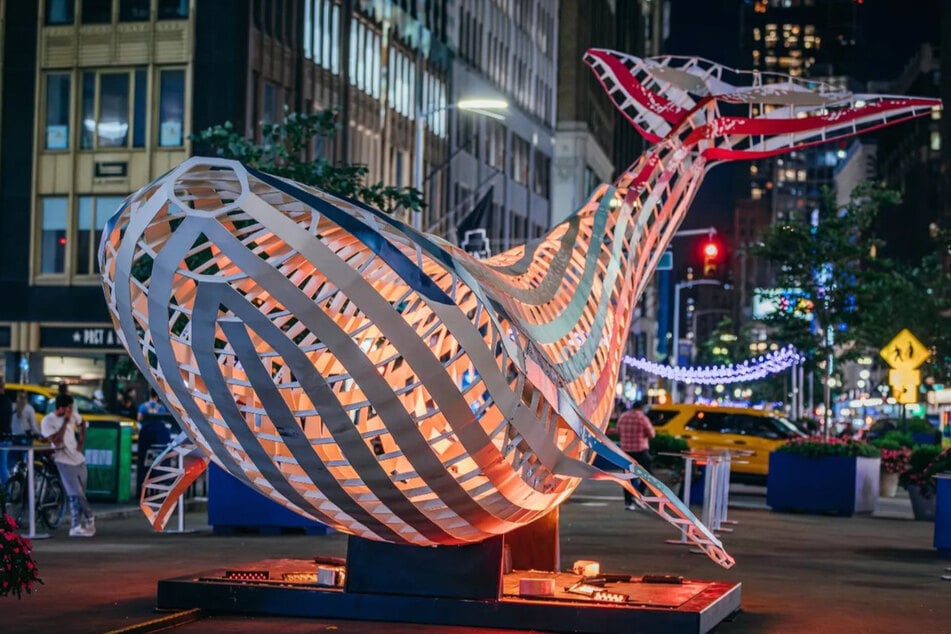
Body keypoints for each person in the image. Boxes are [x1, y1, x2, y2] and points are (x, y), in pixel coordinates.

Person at [41, 394, 95, 537]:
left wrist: (81, 441)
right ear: (61, 408)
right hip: (63, 460)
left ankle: (75, 525)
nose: (72, 411)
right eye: (69, 408)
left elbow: (83, 422)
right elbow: (56, 441)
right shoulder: (48, 421)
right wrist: (65, 422)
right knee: (75, 493)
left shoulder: (73, 415)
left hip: (78, 459)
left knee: (79, 494)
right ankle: (90, 517)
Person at [617, 400, 655, 511]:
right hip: (640, 452)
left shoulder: (623, 417)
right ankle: (639, 496)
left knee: (627, 478)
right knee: (647, 476)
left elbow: (618, 430)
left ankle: (628, 503)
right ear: (641, 408)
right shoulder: (642, 418)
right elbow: (651, 434)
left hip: (626, 453)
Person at [136, 389, 172, 497]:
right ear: (157, 396)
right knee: (157, 461)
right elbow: (164, 421)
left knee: (144, 462)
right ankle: (156, 486)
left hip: (145, 436)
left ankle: (142, 488)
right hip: (157, 437)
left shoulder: (143, 406)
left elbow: (139, 419)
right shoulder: (160, 408)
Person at [0, 378, 12, 484]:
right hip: (7, 437)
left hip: (1, 438)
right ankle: (7, 492)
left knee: (2, 467)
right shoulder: (8, 401)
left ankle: (5, 494)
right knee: (3, 466)